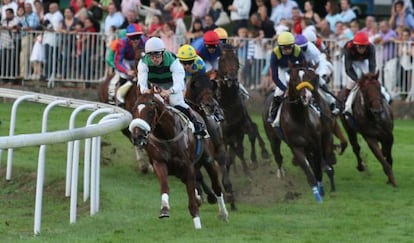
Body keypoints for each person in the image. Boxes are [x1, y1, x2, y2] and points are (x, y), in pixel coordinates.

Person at [138, 37, 207, 136]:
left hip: (172, 84)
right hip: (155, 85)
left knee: (175, 102)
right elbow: (142, 83)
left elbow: (179, 84)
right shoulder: (143, 63)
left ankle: (196, 124)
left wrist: (169, 91)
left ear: (162, 52)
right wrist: (146, 91)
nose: (154, 59)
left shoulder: (173, 60)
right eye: (151, 56)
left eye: (157, 55)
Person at [342, 31, 391, 115]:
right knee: (352, 82)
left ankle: (385, 96)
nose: (362, 49)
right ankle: (347, 105)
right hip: (350, 62)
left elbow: (372, 65)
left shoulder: (371, 47)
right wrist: (358, 80)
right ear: (355, 45)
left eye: (364, 46)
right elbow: (348, 69)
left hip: (362, 61)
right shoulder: (348, 47)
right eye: (360, 46)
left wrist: (370, 78)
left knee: (373, 81)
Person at [176, 44, 224, 122]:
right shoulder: (175, 64)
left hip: (196, 76)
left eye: (190, 62)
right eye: (184, 63)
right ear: (179, 61)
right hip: (181, 78)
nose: (187, 66)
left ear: (194, 60)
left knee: (207, 89)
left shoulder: (200, 64)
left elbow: (204, 82)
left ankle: (215, 112)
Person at [294, 34, 339, 115]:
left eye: (304, 48)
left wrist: (317, 75)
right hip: (301, 68)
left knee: (320, 82)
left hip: (314, 66)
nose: (303, 50)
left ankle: (332, 102)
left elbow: (317, 64)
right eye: (300, 49)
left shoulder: (312, 50)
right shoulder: (293, 51)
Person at [267, 31, 305, 124]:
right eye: (285, 48)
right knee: (279, 91)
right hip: (281, 69)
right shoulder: (275, 54)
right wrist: (285, 89)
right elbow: (275, 77)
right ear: (280, 47)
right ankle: (273, 113)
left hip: (295, 67)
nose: (288, 50)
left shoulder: (297, 50)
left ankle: (312, 104)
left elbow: (304, 65)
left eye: (290, 47)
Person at [114, 23, 146, 105]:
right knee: (126, 75)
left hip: (139, 59)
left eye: (137, 37)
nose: (135, 40)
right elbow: (118, 62)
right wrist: (127, 71)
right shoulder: (122, 43)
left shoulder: (144, 41)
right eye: (132, 38)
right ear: (128, 37)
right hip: (126, 60)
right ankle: (119, 96)